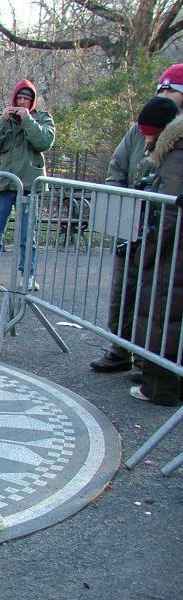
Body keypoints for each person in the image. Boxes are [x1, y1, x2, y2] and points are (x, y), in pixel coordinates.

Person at [90, 64, 183, 374]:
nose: (164, 93)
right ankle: (120, 347)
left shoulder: (176, 135)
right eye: (161, 88)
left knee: (156, 296)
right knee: (124, 289)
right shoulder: (142, 126)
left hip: (164, 229)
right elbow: (117, 167)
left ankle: (151, 361)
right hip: (132, 222)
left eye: (171, 89)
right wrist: (121, 205)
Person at [0, 79, 55, 290]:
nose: (22, 102)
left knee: (27, 233)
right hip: (3, 183)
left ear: (32, 101)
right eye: (19, 98)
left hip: (29, 184)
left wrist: (28, 121)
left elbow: (44, 142)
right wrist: (3, 120)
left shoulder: (43, 119)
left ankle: (27, 275)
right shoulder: (3, 119)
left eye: (26, 99)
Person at [130, 97, 183, 406]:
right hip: (171, 253)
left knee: (163, 318)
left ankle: (160, 388)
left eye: (148, 133)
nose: (145, 139)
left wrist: (147, 250)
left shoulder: (175, 156)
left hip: (171, 256)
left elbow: (169, 214)